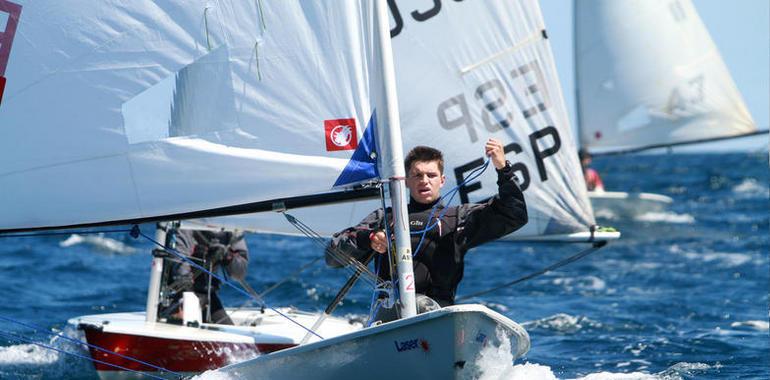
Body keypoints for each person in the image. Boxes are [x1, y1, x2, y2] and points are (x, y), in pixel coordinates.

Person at [326, 138, 527, 322]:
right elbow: (332, 257)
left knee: (424, 306)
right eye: (417, 175)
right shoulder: (385, 219)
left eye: (431, 175)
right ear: (405, 181)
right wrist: (367, 239)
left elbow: (514, 215)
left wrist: (503, 169)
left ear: (442, 180)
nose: (424, 180)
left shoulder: (459, 218)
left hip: (437, 317)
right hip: (389, 317)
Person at [164, 228, 249, 325]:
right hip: (181, 295)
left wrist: (227, 257)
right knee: (187, 327)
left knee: (231, 335)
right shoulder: (186, 225)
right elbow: (179, 262)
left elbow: (240, 273)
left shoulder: (232, 228)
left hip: (208, 296)